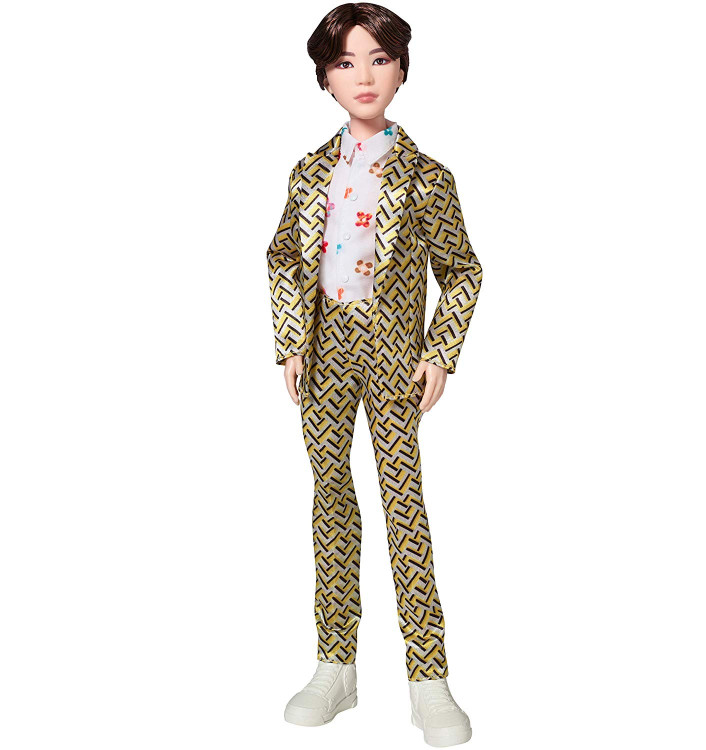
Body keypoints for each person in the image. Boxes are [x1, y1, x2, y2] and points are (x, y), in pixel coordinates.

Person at [266, 3, 482, 746]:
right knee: (330, 498)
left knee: (403, 504)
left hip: (394, 357)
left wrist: (440, 351)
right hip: (322, 354)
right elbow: (283, 258)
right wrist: (290, 340)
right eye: (345, 62)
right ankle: (336, 664)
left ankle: (429, 678)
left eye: (379, 59)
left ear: (401, 69)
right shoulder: (308, 173)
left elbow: (462, 270)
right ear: (325, 78)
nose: (364, 75)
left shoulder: (426, 178)